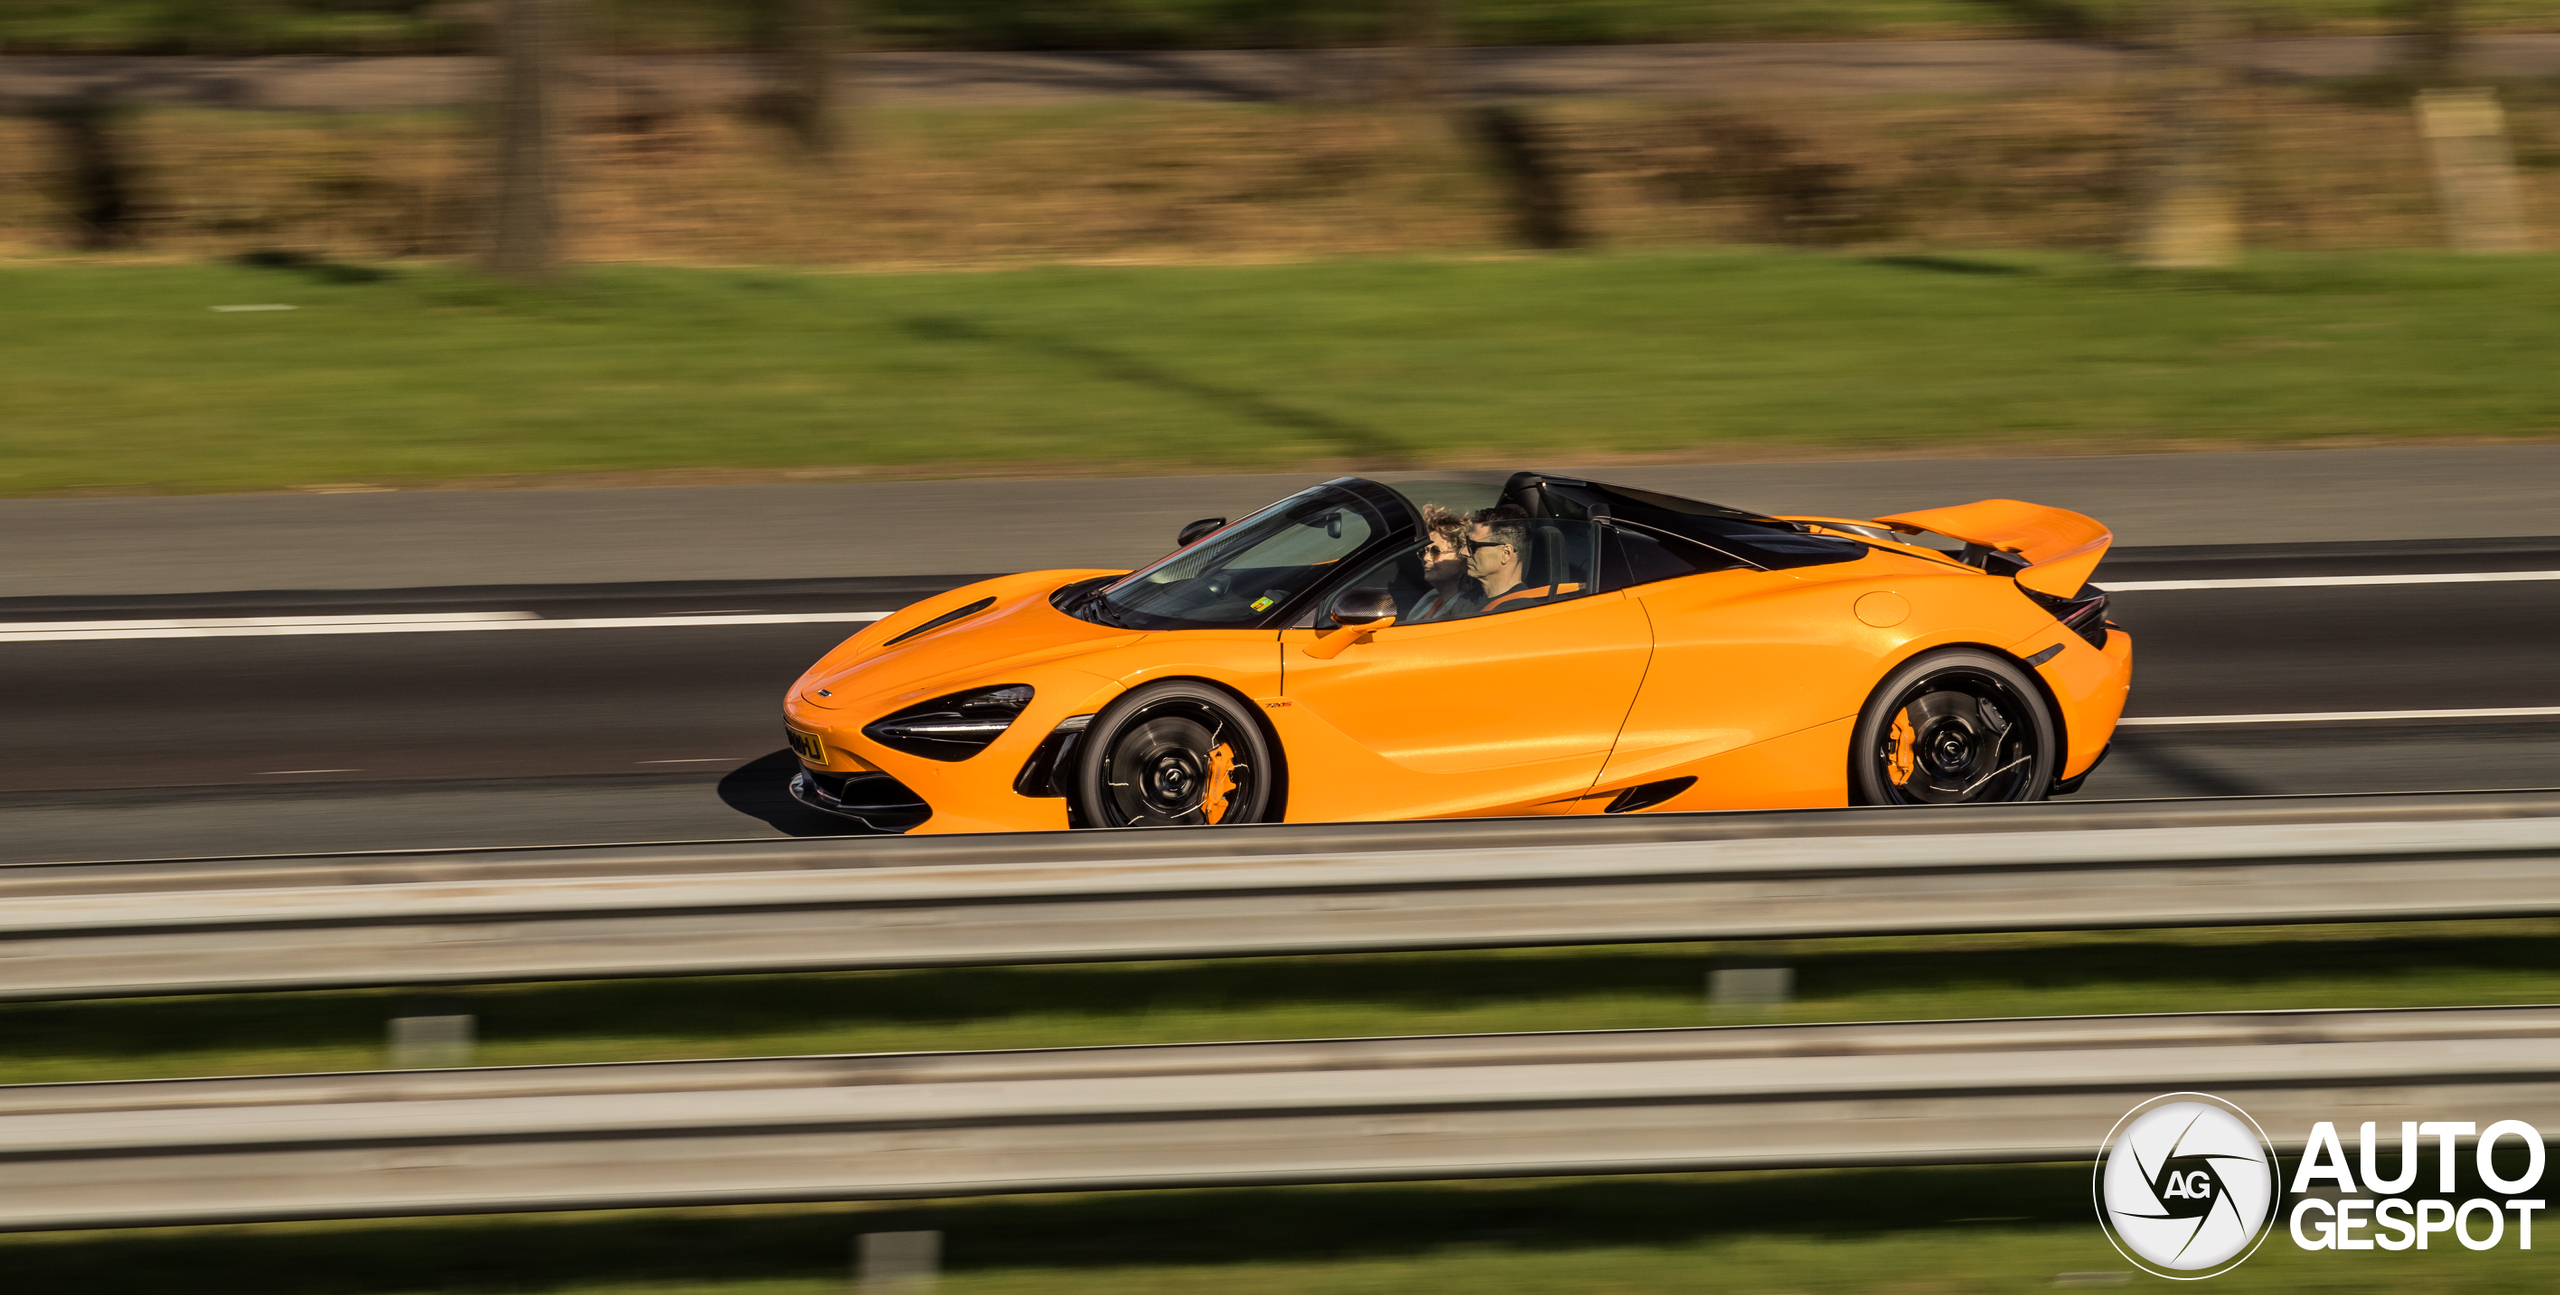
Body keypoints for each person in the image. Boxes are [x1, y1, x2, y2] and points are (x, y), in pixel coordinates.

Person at [1402, 503, 1483, 623]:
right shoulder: (1430, 599)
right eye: (1424, 551)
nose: (1426, 558)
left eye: (1436, 551)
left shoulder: (1466, 611)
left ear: (1463, 560)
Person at [1463, 507, 1545, 612]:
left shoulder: (1521, 613)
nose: (1463, 552)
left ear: (1506, 553)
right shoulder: (1466, 599)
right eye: (1467, 543)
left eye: (1474, 546)